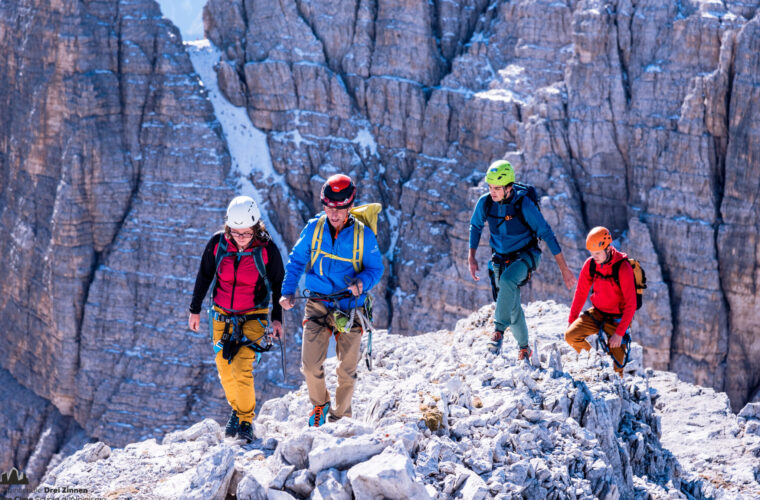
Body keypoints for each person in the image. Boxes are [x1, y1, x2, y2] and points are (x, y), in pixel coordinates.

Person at [279, 174, 383, 427]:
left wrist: (362, 283)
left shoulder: (363, 236)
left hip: (351, 307)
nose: (334, 214)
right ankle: (320, 404)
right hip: (317, 303)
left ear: (349, 207)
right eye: (329, 208)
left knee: (347, 370)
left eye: (340, 208)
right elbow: (296, 260)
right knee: (309, 364)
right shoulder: (314, 229)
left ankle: (341, 417)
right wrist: (287, 290)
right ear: (324, 205)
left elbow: (375, 269)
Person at [188, 196, 284, 443]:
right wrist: (195, 309)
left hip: (254, 316)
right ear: (228, 227)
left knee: (241, 366)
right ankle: (238, 410)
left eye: (246, 233)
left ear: (256, 228)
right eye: (235, 233)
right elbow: (204, 276)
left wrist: (276, 319)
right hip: (221, 316)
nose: (240, 238)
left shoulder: (267, 250)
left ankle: (245, 421)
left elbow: (278, 284)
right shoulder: (217, 244)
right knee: (223, 367)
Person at [468, 160, 576, 359]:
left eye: (497, 188)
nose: (493, 192)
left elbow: (547, 233)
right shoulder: (485, 202)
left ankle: (498, 330)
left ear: (509, 187)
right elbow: (475, 226)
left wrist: (564, 269)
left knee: (508, 282)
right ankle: (524, 348)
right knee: (512, 304)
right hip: (500, 259)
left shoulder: (523, 205)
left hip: (526, 256)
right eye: (490, 187)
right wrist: (471, 257)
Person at [565, 226, 636, 376]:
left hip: (617, 319)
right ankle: (596, 361)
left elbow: (631, 304)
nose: (594, 257)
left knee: (617, 369)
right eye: (592, 253)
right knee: (571, 336)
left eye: (597, 253)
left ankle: (615, 381)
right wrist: (572, 320)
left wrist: (619, 333)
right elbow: (580, 294)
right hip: (597, 313)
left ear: (608, 248)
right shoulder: (591, 265)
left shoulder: (623, 268)